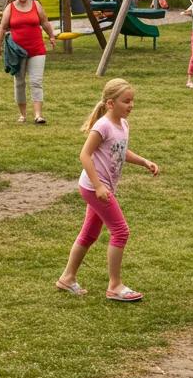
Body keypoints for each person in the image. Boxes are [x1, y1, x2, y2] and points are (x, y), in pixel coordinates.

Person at [56, 78, 159, 301]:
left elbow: (119, 151)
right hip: (95, 188)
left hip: (100, 188)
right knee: (121, 231)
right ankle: (115, 285)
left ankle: (67, 277)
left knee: (90, 233)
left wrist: (144, 162)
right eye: (126, 101)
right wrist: (99, 185)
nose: (131, 105)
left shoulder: (123, 124)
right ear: (111, 103)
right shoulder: (102, 125)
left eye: (132, 101)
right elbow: (84, 155)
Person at [0, 0, 56, 124]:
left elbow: (45, 22)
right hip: (17, 52)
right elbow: (2, 29)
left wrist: (52, 36)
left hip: (37, 50)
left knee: (36, 81)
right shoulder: (10, 8)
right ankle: (23, 114)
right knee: (19, 82)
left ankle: (38, 115)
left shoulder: (36, 5)